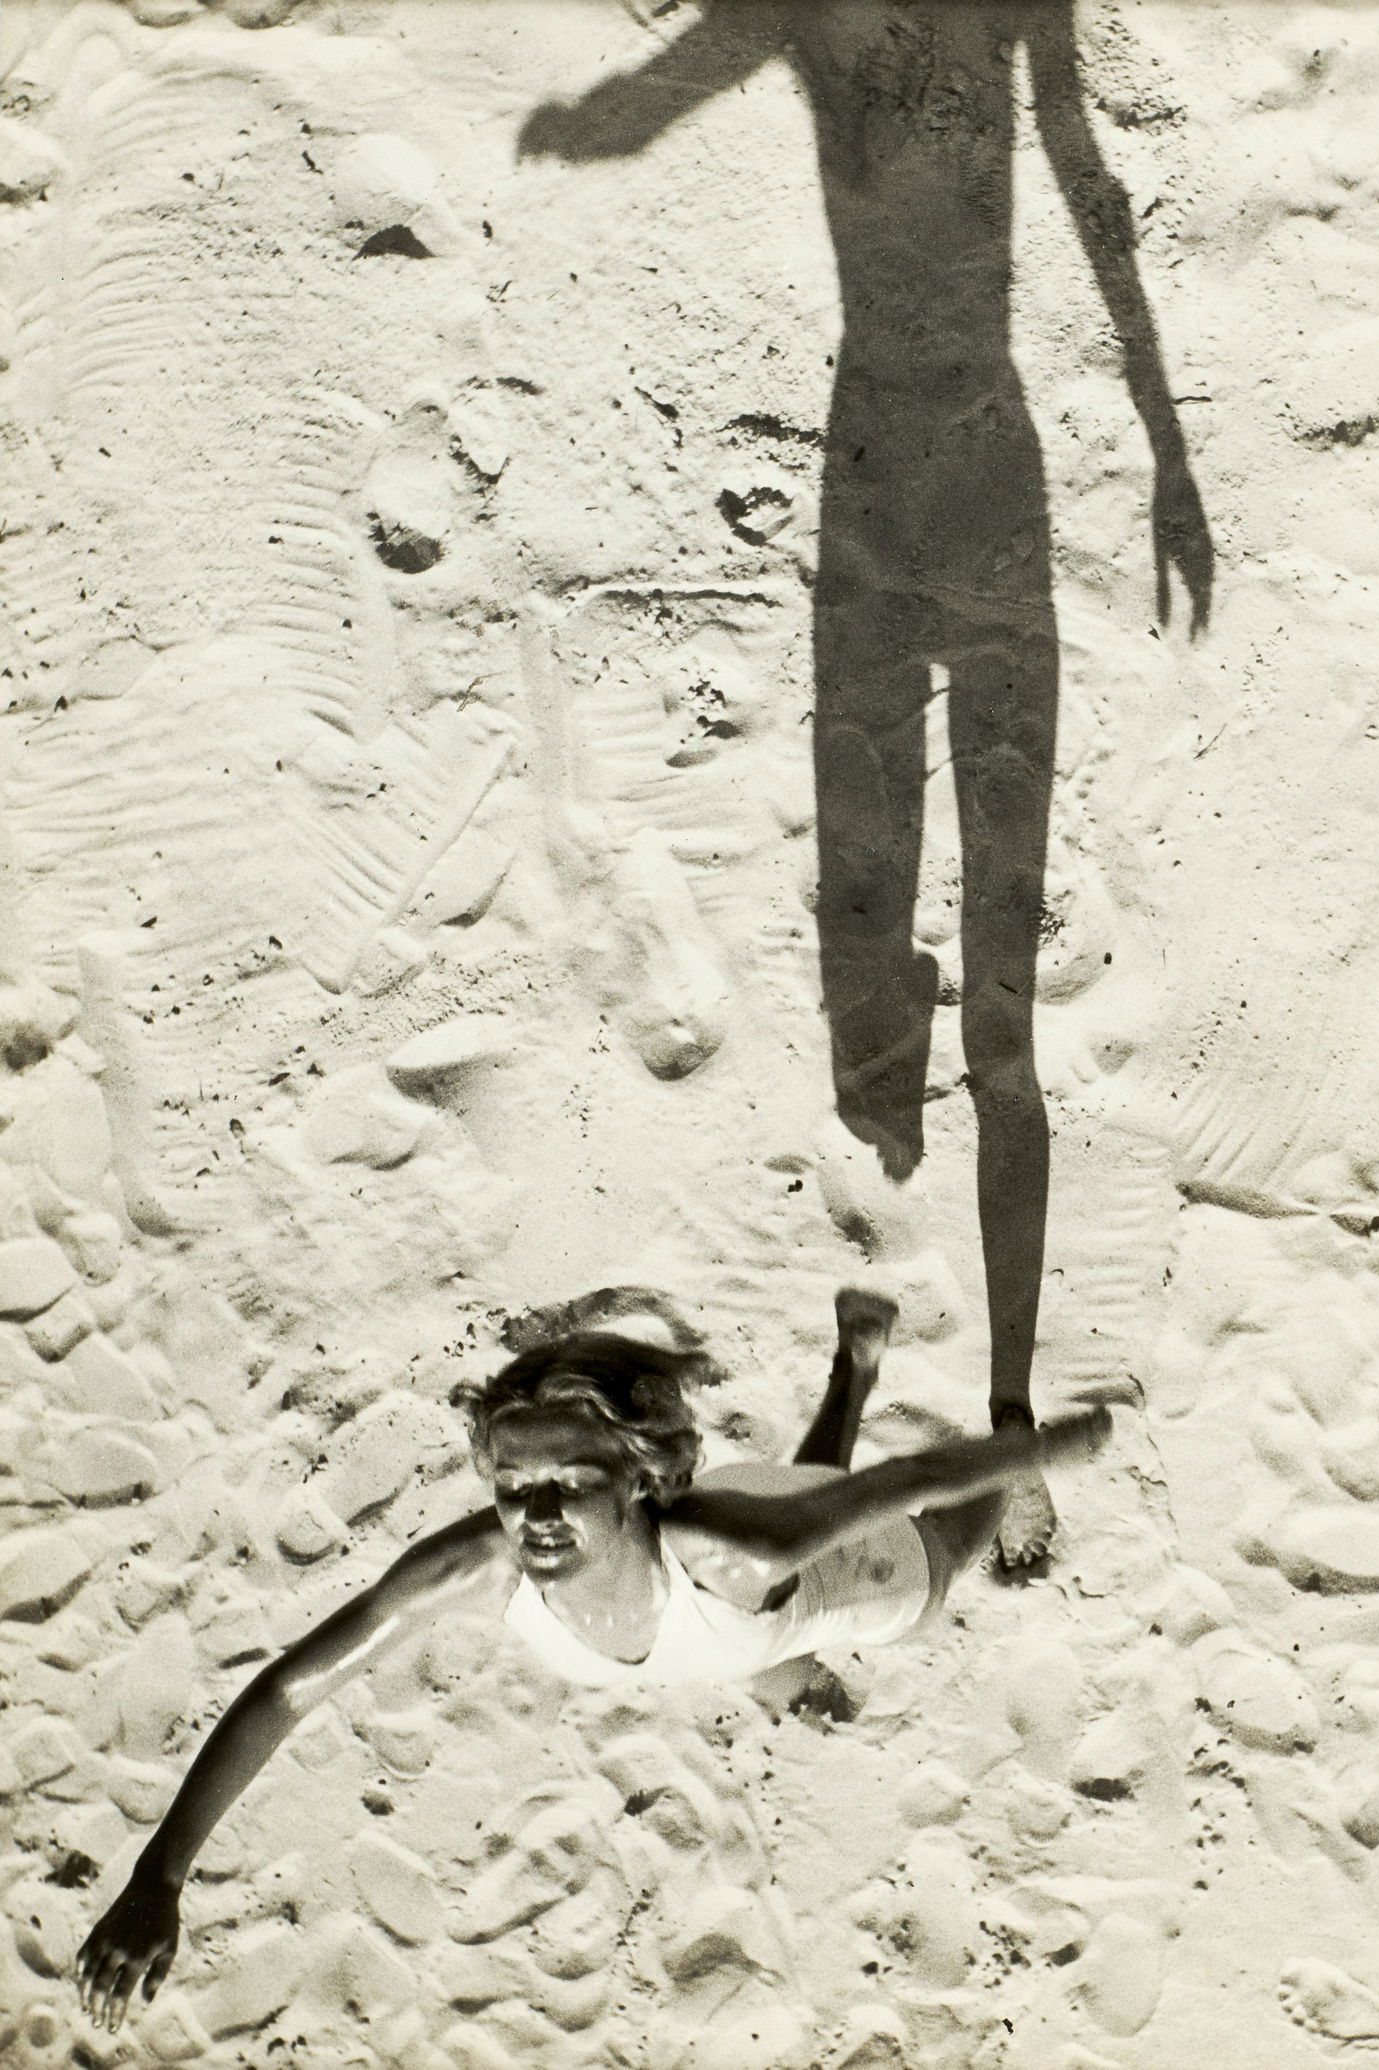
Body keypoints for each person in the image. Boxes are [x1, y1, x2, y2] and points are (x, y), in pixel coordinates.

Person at [518, 1, 1211, 1568]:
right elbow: (663, 86)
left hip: (953, 468)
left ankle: (1014, 1410)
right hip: (888, 478)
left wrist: (1168, 449)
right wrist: (599, 117)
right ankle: (924, 1303)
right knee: (891, 968)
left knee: (1008, 1005)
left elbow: (1078, 158)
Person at [75, 1287, 1138, 2032]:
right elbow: (291, 1687)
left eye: (566, 1487)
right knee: (760, 1616)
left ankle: (996, 1421)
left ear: (633, 1479)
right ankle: (850, 1370)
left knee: (928, 1551)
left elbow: (894, 1491)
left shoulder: (738, 1545)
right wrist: (159, 1875)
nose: (531, 1518)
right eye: (511, 1487)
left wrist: (1032, 1450)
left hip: (832, 1575)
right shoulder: (476, 1566)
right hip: (735, 1606)